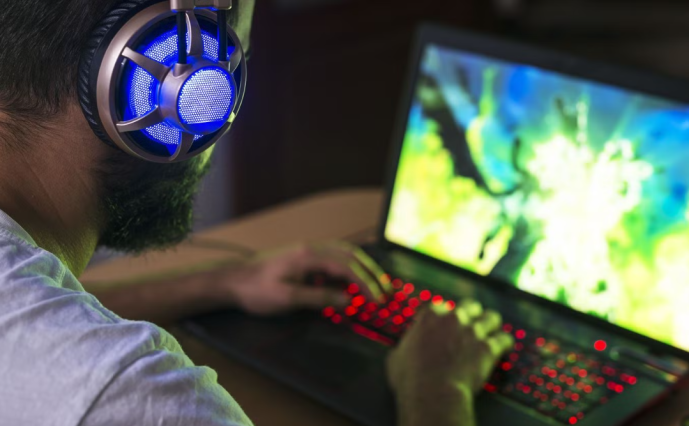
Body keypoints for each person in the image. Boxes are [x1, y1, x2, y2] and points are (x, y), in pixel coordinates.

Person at [0, 1, 514, 425]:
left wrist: (224, 282)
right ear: (165, 86)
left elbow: (32, 318)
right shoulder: (139, 400)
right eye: (234, 59)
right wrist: (437, 391)